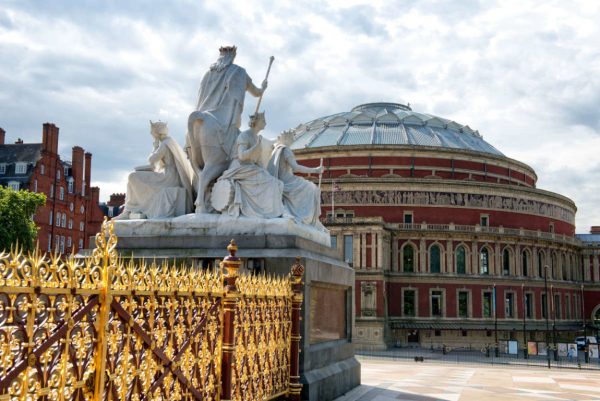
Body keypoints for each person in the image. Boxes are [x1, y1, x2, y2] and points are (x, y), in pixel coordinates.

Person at [186, 46, 268, 213]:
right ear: (233, 56)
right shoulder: (239, 71)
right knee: (228, 157)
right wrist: (263, 87)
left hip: (197, 122)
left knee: (201, 164)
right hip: (224, 122)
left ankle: (203, 200)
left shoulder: (207, 74)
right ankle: (201, 202)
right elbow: (256, 92)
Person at [116, 121, 194, 219]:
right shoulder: (168, 141)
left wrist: (155, 147)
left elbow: (151, 160)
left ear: (157, 132)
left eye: (152, 131)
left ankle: (130, 209)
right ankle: (129, 210)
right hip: (168, 175)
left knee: (132, 177)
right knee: (131, 181)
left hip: (168, 177)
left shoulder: (165, 144)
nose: (151, 133)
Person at [212, 113, 284, 219]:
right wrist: (255, 148)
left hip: (251, 168)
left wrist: (265, 172)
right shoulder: (244, 136)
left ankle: (270, 211)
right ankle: (265, 212)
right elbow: (241, 156)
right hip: (239, 168)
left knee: (276, 182)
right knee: (271, 183)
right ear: (256, 122)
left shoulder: (257, 137)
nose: (265, 123)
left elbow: (258, 161)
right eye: (263, 120)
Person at [268, 130, 325, 229]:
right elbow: (296, 168)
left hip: (281, 180)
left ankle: (302, 216)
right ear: (286, 138)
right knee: (312, 187)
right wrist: (315, 170)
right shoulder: (286, 149)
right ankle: (306, 217)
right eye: (291, 138)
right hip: (287, 181)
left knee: (309, 186)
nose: (293, 140)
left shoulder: (276, 150)